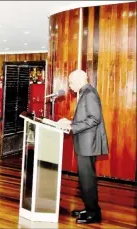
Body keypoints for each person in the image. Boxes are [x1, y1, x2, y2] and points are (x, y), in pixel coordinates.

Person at [57, 69, 108, 224]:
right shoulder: (86, 92)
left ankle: (94, 214)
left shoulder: (89, 94)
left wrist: (73, 127)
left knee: (87, 180)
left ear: (79, 80)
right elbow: (85, 117)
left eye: (71, 82)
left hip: (88, 144)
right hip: (86, 143)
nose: (70, 86)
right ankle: (89, 207)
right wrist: (70, 122)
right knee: (85, 179)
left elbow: (94, 119)